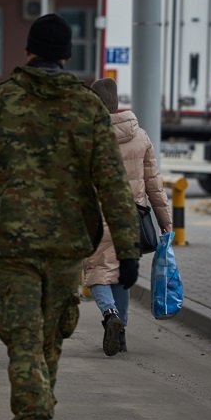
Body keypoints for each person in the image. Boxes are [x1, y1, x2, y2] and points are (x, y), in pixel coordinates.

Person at [0, 14, 141, 420]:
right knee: (49, 336)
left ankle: (33, 416)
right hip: (68, 244)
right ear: (67, 55)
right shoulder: (88, 107)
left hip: (12, 244)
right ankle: (36, 415)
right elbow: (114, 185)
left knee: (24, 336)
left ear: (28, 51)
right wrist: (129, 248)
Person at [84, 78, 173, 356]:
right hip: (132, 216)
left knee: (98, 271)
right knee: (122, 273)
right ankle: (120, 336)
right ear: (117, 102)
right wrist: (166, 221)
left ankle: (110, 315)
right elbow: (154, 184)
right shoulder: (140, 135)